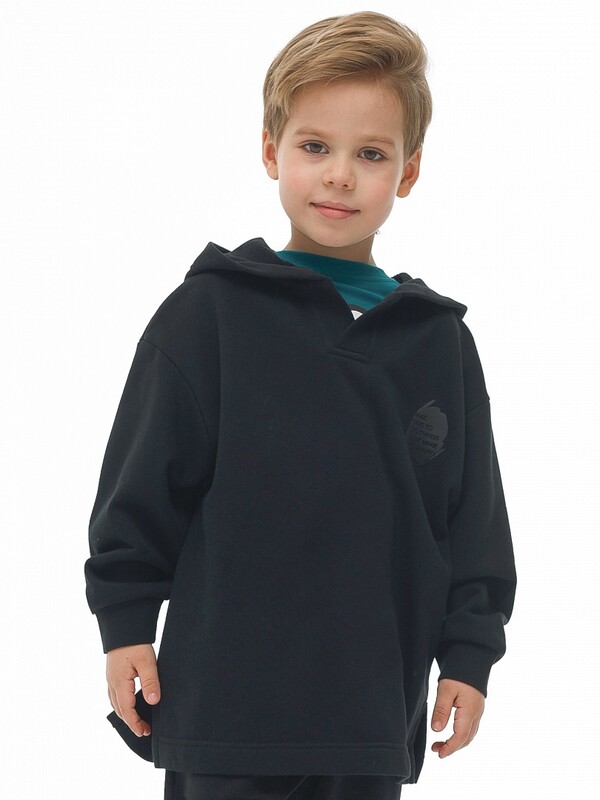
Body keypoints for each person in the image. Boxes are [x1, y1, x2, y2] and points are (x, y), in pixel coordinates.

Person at [84, 10, 517, 800]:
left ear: (409, 172)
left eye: (371, 154)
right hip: (224, 716)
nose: (339, 175)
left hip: (369, 721)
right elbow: (140, 487)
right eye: (315, 146)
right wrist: (125, 625)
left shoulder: (440, 343)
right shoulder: (207, 315)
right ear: (269, 150)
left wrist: (469, 656)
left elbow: (472, 522)